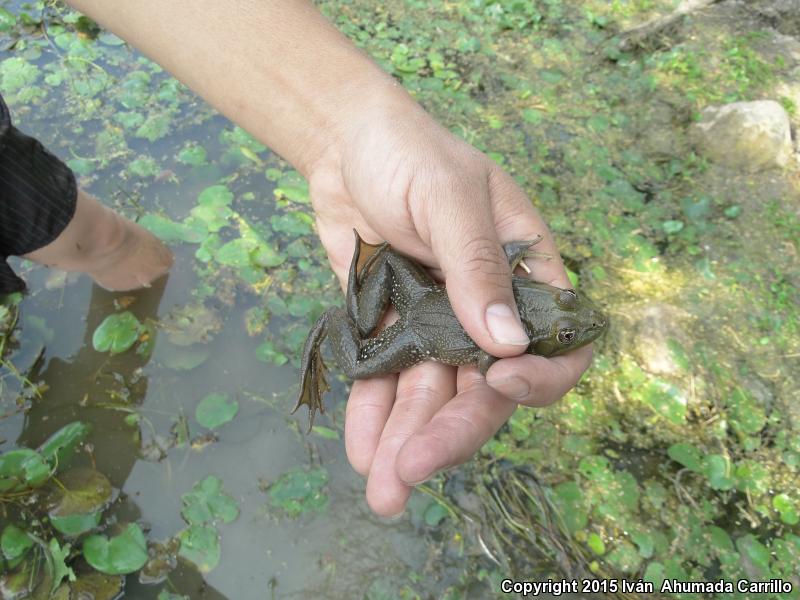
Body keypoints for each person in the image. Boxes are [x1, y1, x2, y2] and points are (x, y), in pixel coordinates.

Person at [5, 0, 594, 517]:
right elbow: (493, 363)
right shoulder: (509, 327)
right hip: (417, 323)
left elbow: (497, 361)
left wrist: (343, 134)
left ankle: (296, 322)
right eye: (568, 320)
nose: (571, 316)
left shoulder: (512, 322)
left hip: (423, 316)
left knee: (87, 236)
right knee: (365, 360)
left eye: (564, 316)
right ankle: (326, 334)